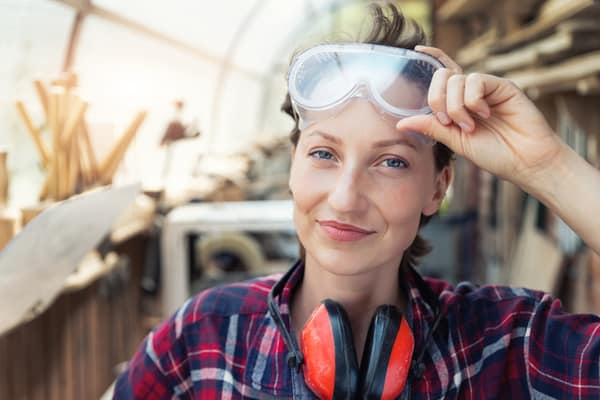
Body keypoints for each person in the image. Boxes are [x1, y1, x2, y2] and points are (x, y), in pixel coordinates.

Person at [113, 3, 600, 399]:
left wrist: (547, 166)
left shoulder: (503, 343)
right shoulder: (204, 339)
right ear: (293, 165)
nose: (345, 199)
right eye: (324, 153)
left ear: (438, 187)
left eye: (391, 162)